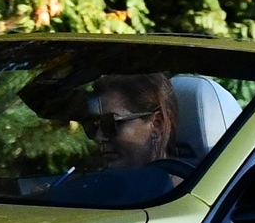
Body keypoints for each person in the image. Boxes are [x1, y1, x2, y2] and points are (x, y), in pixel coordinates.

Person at [46, 73, 187, 206]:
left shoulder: (182, 200)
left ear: (157, 124)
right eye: (92, 126)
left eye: (111, 124)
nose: (98, 137)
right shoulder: (96, 189)